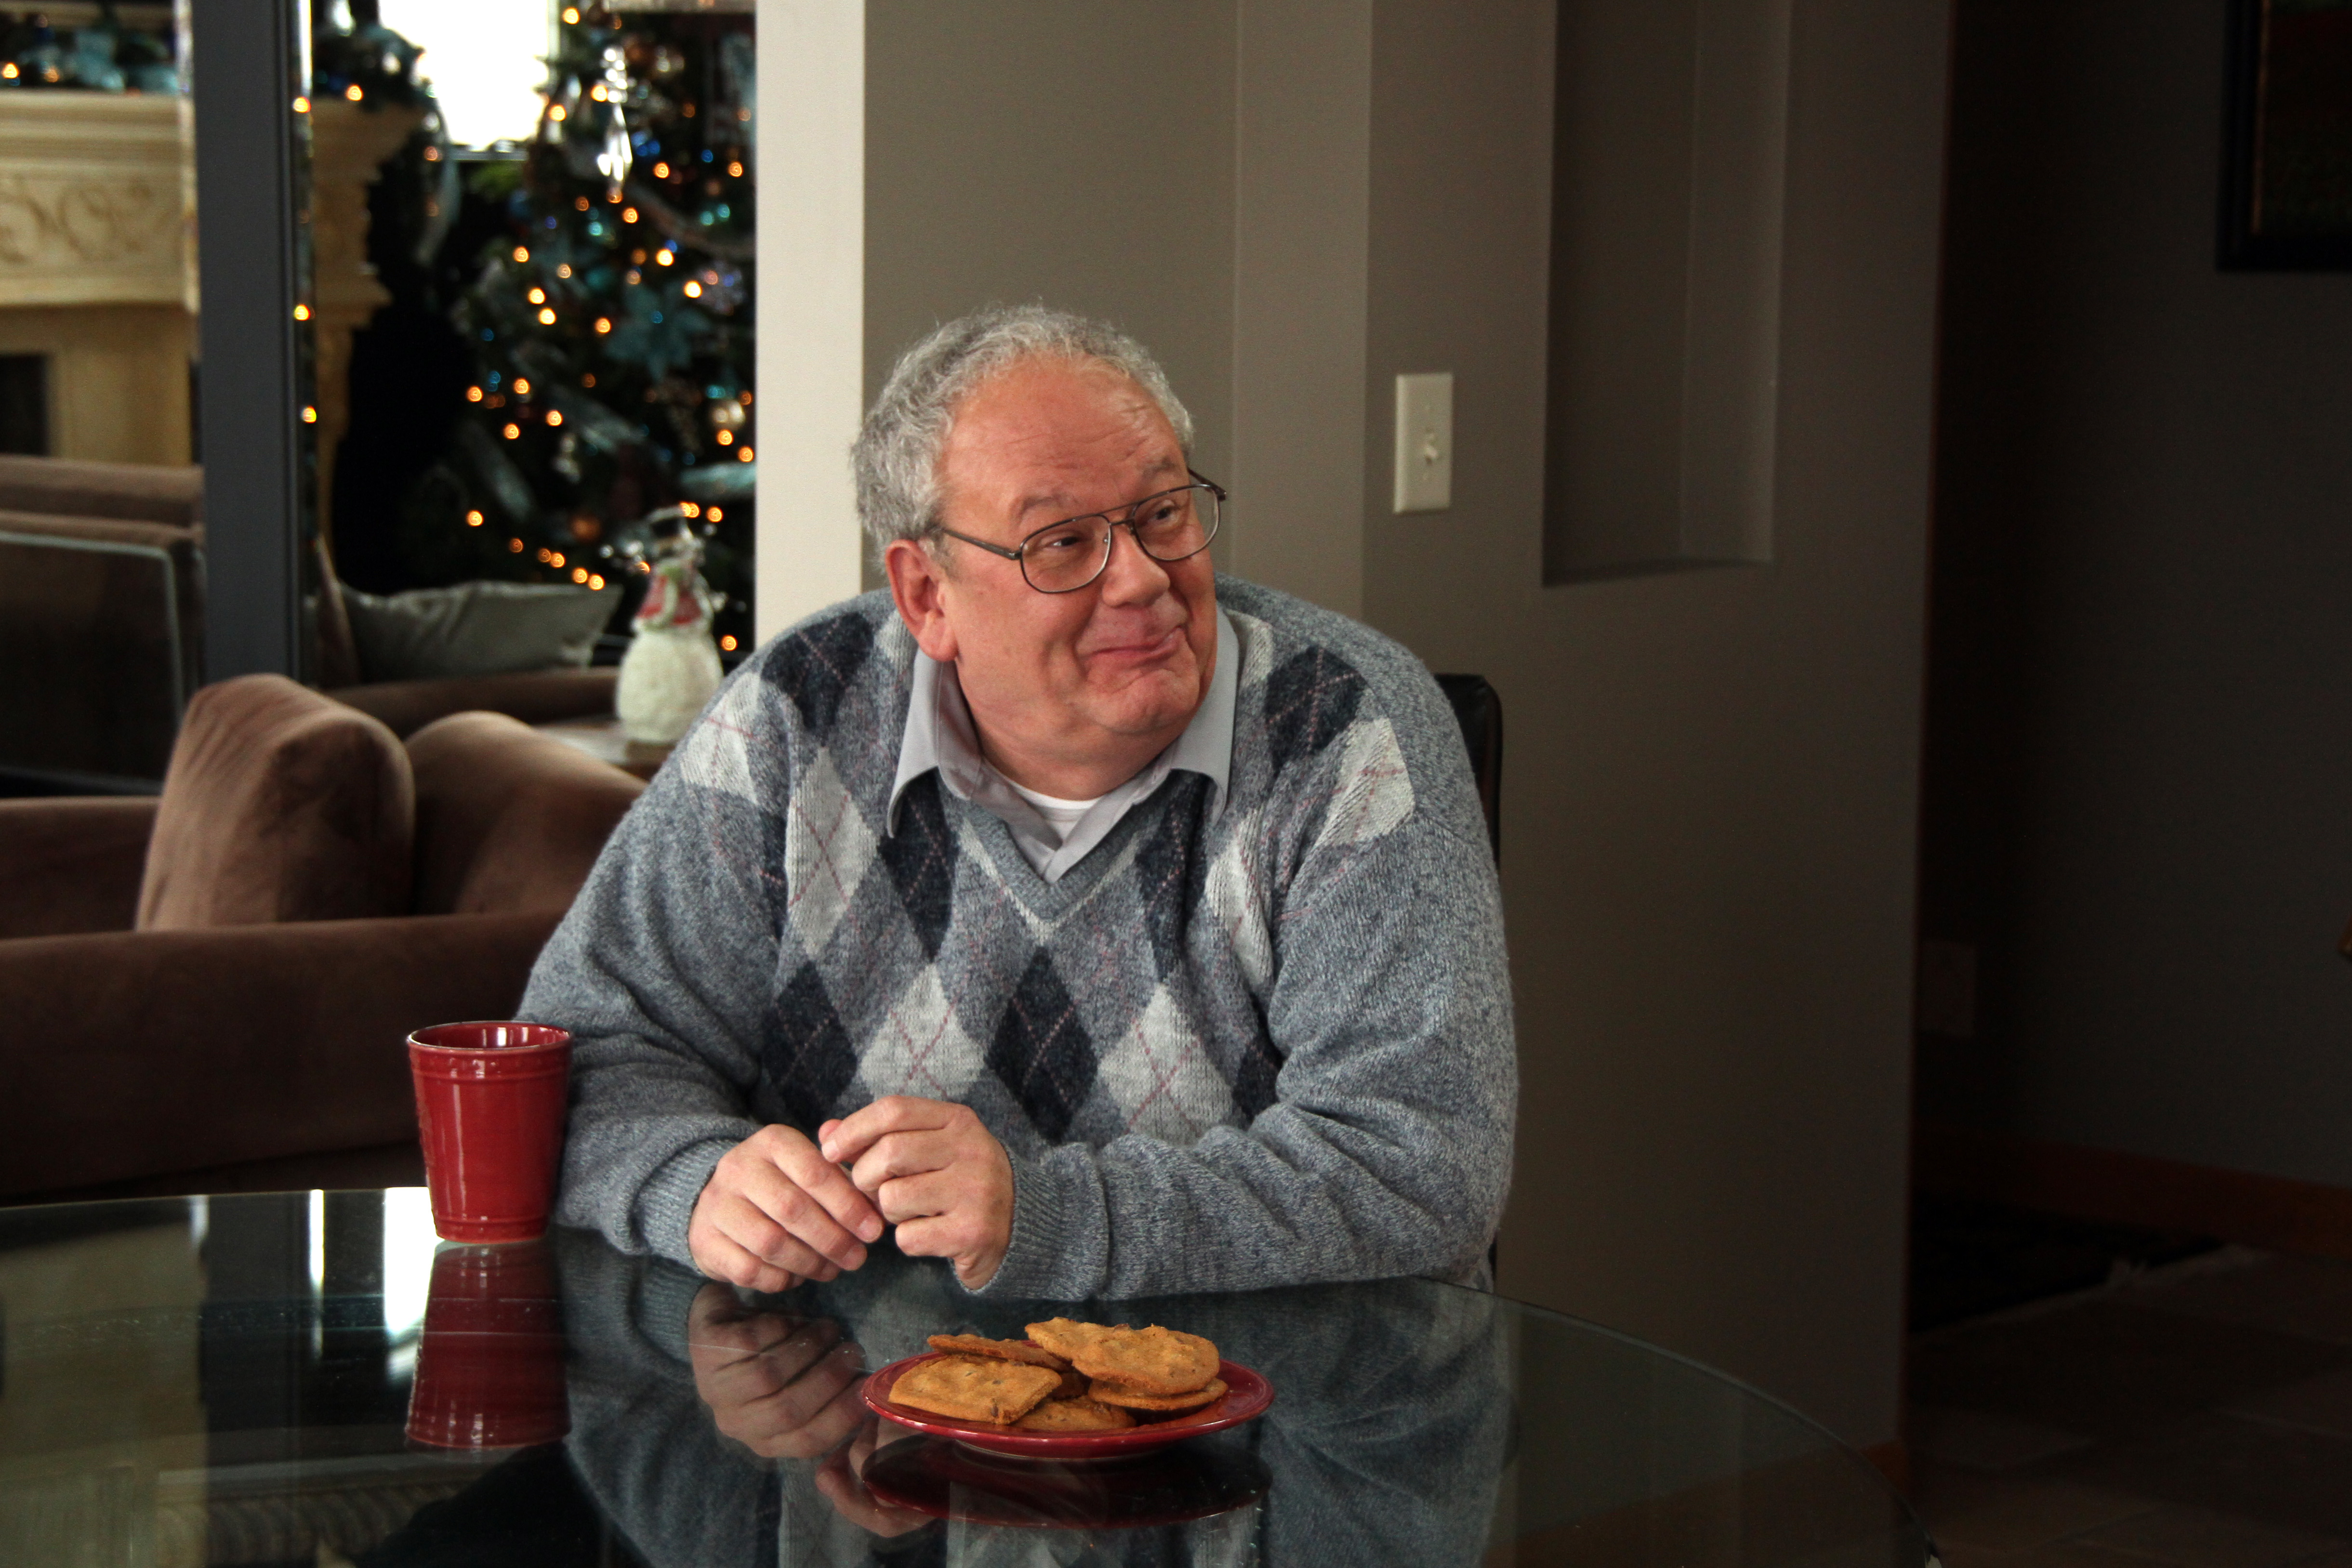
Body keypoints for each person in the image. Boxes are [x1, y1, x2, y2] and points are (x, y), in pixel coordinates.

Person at [524, 303, 1514, 1301]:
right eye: (1063, 542)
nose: (1141, 580)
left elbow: (1422, 1166)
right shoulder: (794, 713)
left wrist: (1047, 1215)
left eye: (1163, 514)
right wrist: (692, 1181)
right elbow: (581, 1060)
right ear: (926, 596)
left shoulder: (1348, 730)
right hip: (849, 1391)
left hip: (1281, 1391)